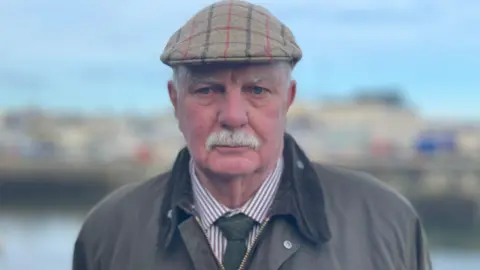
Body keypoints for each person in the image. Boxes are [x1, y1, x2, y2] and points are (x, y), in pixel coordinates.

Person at [73, 1, 432, 269]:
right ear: (174, 100)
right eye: (207, 91)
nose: (232, 116)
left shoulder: (387, 224)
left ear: (288, 100)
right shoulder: (109, 232)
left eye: (257, 91)